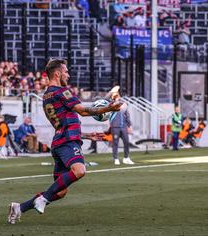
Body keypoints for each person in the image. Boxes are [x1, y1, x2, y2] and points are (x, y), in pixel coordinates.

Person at [7, 59, 122, 224]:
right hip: (67, 143)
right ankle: (43, 198)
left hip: (61, 141)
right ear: (57, 73)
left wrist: (86, 135)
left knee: (61, 192)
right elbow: (82, 111)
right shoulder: (62, 92)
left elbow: (63, 123)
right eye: (66, 72)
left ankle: (20, 207)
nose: (68, 75)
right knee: (80, 170)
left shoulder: (47, 96)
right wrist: (108, 108)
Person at [106, 85, 134, 165]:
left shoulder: (124, 104)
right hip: (115, 126)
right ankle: (116, 158)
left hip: (124, 126)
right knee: (115, 143)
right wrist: (112, 90)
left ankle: (126, 158)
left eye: (117, 94)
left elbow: (127, 115)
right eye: (115, 94)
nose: (117, 95)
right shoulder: (111, 104)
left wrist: (130, 126)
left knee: (127, 142)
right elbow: (105, 99)